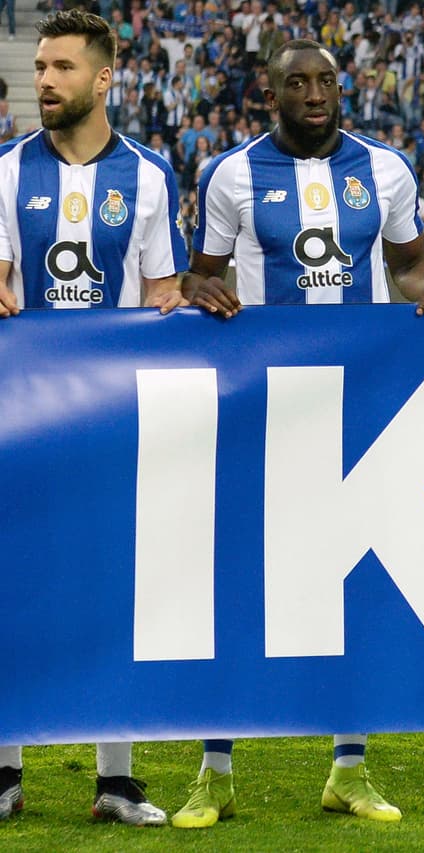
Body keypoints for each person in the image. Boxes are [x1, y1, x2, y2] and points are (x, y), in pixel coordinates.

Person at [173, 38, 424, 829]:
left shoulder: (387, 168)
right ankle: (214, 770)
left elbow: (408, 264)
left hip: (361, 396)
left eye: (324, 82)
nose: (313, 93)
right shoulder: (232, 172)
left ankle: (350, 767)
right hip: (265, 398)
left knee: (354, 583)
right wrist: (203, 290)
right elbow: (204, 272)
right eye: (296, 83)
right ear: (272, 93)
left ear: (341, 89)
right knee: (238, 577)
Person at [0, 9, 188, 826]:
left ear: (105, 77)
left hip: (115, 420)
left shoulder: (149, 177)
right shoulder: (6, 172)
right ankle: (5, 773)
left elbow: (160, 295)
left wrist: (187, 306)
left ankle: (117, 781)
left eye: (61, 68)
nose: (42, 80)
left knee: (117, 594)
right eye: (38, 66)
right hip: (22, 417)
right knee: (16, 589)